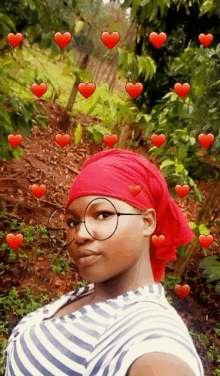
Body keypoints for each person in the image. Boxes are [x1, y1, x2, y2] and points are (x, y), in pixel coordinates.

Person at [4, 148, 204, 376]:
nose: (80, 234)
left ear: (147, 222)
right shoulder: (92, 295)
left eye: (103, 215)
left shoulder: (151, 338)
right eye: (72, 222)